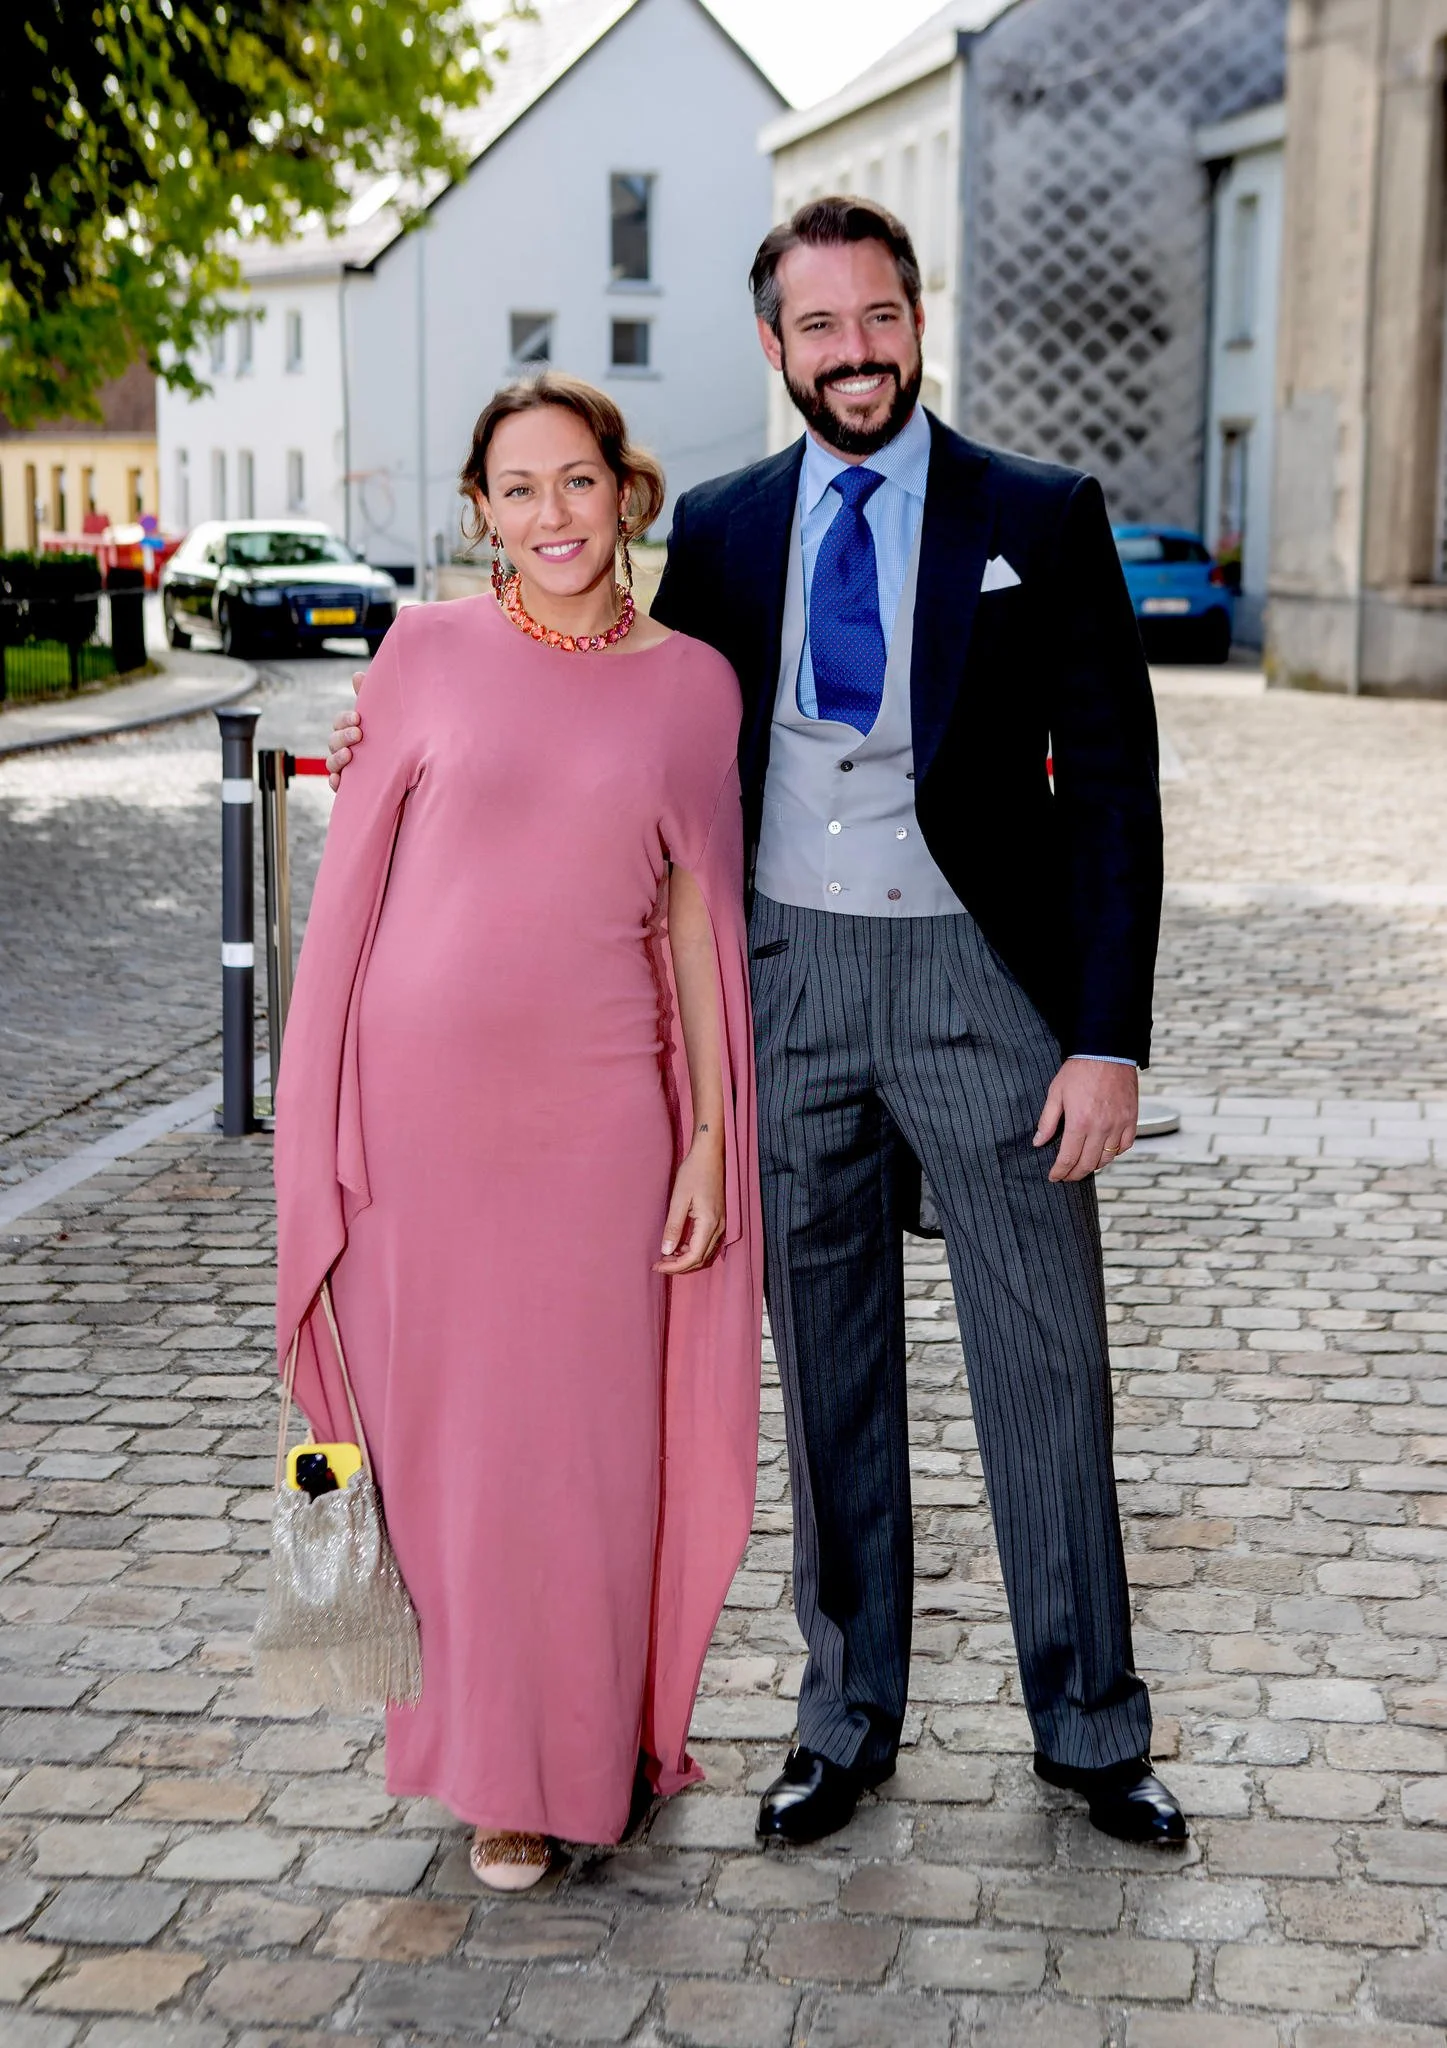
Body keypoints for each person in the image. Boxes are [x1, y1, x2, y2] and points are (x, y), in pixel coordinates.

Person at [329, 198, 1185, 1851]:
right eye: (817, 326)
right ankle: (843, 1716)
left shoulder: (1039, 514)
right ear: (776, 346)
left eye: (876, 318)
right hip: (778, 982)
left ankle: (1089, 1728)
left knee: (1045, 1362)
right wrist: (402, 699)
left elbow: (1115, 800)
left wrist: (1105, 1036)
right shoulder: (721, 530)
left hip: (976, 984)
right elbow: (605, 694)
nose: (851, 350)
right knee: (828, 1371)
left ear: (915, 321)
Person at [277, 373, 761, 1891]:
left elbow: (698, 921)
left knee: (585, 1456)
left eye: (577, 480)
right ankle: (495, 1768)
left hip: (604, 1118)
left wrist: (706, 1140)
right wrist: (328, 1122)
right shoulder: (420, 655)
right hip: (419, 1122)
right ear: (479, 514)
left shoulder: (696, 685)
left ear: (628, 490)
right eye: (516, 488)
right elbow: (351, 888)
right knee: (452, 1459)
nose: (551, 513)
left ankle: (586, 1735)